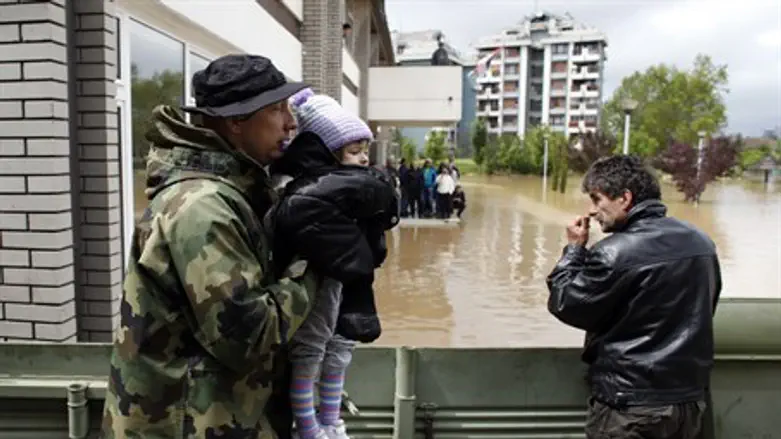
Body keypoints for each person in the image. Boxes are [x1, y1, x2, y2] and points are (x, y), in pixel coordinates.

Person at [101, 54, 321, 438]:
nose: (290, 122)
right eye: (276, 109)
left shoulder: (229, 191)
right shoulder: (202, 208)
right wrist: (315, 260)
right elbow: (251, 337)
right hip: (185, 424)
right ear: (236, 121)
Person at [546, 155, 721, 439]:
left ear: (624, 198)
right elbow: (706, 307)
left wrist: (575, 250)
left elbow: (567, 303)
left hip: (629, 406)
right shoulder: (701, 242)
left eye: (597, 199)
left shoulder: (614, 252)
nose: (592, 211)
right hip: (688, 403)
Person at [266, 88, 399, 439]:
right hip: (311, 279)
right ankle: (309, 428)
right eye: (354, 151)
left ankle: (330, 420)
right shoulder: (292, 188)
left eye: (365, 151)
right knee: (311, 349)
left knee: (340, 346)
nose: (363, 159)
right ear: (325, 150)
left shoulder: (345, 189)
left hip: (340, 282)